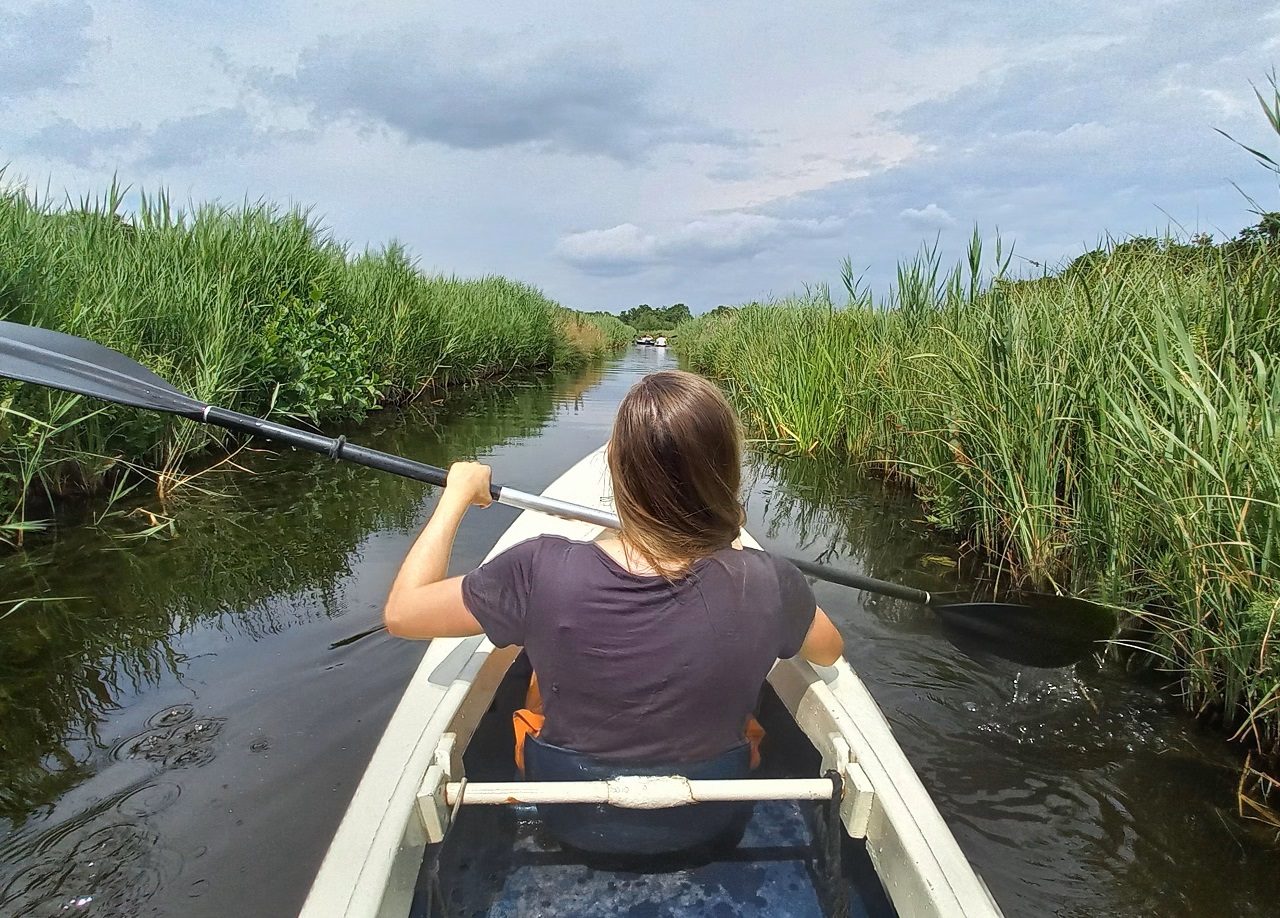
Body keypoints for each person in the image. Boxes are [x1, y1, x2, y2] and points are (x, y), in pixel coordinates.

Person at [383, 370, 842, 780]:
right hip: (712, 815)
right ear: (726, 471)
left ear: (618, 471)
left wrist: (455, 496)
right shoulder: (770, 581)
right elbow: (827, 652)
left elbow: (403, 613)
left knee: (538, 658)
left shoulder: (537, 568)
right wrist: (733, 545)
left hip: (571, 814)